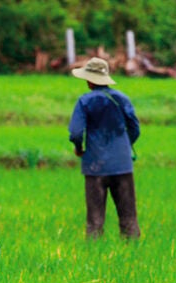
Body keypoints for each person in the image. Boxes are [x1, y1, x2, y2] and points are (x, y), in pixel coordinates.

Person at [69, 57, 141, 239]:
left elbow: (76, 132)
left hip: (95, 166)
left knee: (95, 220)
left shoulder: (84, 101)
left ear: (90, 80)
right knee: (129, 218)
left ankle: (94, 253)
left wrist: (79, 148)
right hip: (122, 164)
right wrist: (125, 145)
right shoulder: (122, 99)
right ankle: (132, 252)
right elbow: (135, 128)